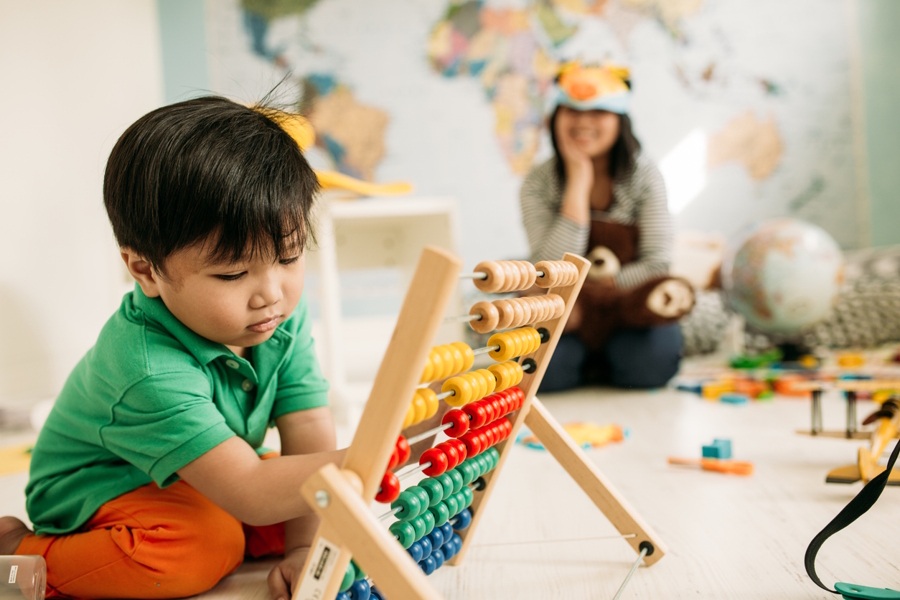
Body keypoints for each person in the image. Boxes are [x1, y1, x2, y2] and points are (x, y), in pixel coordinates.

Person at [0, 96, 345, 600]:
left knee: (312, 502)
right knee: (204, 547)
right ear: (145, 271)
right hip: (103, 490)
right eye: (232, 273)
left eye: (289, 256)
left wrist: (304, 550)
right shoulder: (146, 367)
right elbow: (248, 491)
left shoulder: (276, 315)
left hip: (204, 469)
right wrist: (360, 464)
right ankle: (23, 552)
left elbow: (307, 426)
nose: (272, 293)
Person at [520, 62, 685, 391]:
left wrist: (602, 292)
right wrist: (578, 184)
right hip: (568, 313)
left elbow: (657, 263)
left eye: (598, 111)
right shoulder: (538, 182)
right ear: (556, 118)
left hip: (629, 307)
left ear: (619, 120)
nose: (583, 121)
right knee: (543, 373)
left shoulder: (644, 177)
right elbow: (547, 270)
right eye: (571, 110)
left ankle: (608, 360)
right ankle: (588, 361)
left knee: (647, 366)